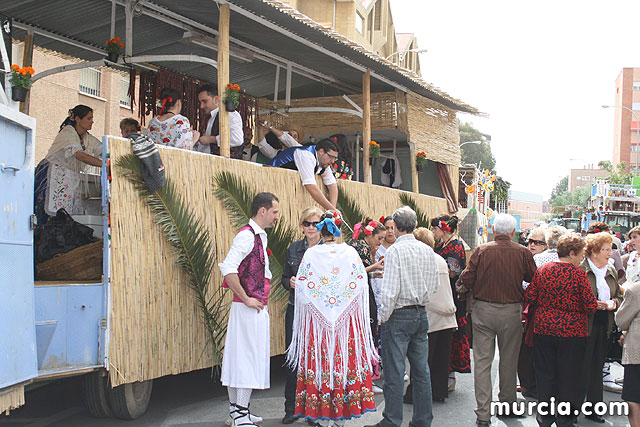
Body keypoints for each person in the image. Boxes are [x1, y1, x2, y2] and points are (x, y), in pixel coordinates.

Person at [287, 211, 377, 425]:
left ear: (321, 229)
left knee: (321, 364)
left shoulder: (311, 254)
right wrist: (342, 306)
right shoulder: (350, 253)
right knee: (342, 365)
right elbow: (360, 283)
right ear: (338, 229)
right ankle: (340, 419)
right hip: (345, 326)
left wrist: (322, 305)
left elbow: (302, 287)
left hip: (318, 328)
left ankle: (321, 417)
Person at [456, 213, 537, 427]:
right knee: (509, 360)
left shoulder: (482, 250)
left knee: (482, 362)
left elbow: (467, 277)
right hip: (511, 311)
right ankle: (507, 404)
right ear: (512, 232)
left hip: (483, 309)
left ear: (493, 230)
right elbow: (533, 279)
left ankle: (483, 413)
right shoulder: (522, 252)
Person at [365, 206, 440, 427]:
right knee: (421, 371)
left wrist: (384, 317)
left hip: (398, 314)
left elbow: (389, 290)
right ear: (414, 225)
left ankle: (392, 420)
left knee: (395, 372)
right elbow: (434, 284)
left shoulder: (395, 251)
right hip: (420, 312)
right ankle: (423, 420)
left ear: (395, 227)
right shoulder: (427, 250)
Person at [218, 192, 280, 427]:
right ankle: (240, 414)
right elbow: (228, 268)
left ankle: (237, 411)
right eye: (274, 212)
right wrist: (245, 298)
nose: (276, 217)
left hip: (252, 305)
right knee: (246, 357)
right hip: (247, 307)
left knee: (241, 356)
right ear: (262, 211)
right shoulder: (247, 236)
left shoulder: (258, 236)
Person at [525, 233, 598, 427]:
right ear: (572, 253)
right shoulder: (579, 275)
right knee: (569, 376)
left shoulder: (543, 271)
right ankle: (565, 419)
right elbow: (590, 306)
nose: (582, 258)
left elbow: (531, 296)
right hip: (572, 333)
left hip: (544, 329)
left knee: (545, 375)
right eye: (581, 254)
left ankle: (545, 418)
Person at [280, 206, 323, 425]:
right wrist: (291, 283)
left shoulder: (328, 250)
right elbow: (284, 278)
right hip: (295, 310)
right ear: (302, 226)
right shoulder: (294, 249)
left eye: (315, 223)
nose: (311, 228)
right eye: (307, 223)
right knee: (293, 359)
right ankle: (291, 408)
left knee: (316, 361)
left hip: (319, 313)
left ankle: (314, 410)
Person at [579, 232, 623, 424]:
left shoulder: (610, 271)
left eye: (610, 249)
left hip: (604, 323)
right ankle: (572, 408)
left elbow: (620, 296)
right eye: (605, 250)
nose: (610, 254)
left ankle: (594, 409)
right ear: (594, 252)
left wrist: (613, 303)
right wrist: (591, 304)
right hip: (585, 323)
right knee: (581, 366)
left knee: (597, 366)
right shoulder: (582, 270)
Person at [519, 225, 567, 399]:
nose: (532, 245)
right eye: (530, 241)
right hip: (566, 320)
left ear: (546, 243)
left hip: (540, 313)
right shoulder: (572, 262)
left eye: (537, 242)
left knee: (538, 351)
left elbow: (528, 287)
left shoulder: (540, 260)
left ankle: (536, 387)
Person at [34, 105, 102, 226]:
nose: (92, 121)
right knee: (54, 215)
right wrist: (105, 165)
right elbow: (80, 155)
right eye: (89, 118)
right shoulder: (67, 133)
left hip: (71, 178)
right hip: (55, 176)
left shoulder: (87, 138)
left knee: (69, 215)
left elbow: (101, 149)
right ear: (77, 119)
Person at [412, 227, 457, 403]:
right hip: (447, 314)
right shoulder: (439, 259)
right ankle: (439, 392)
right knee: (441, 358)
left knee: (424, 359)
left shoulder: (420, 260)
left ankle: (418, 394)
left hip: (431, 314)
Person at [430, 214, 469, 392]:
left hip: (452, 294)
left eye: (434, 228)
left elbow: (453, 271)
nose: (433, 232)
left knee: (452, 335)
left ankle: (450, 375)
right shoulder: (441, 245)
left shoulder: (456, 246)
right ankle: (442, 374)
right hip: (441, 292)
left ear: (443, 229)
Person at [350, 218, 386, 388]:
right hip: (361, 297)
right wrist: (374, 267)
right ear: (370, 235)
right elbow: (355, 272)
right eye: (379, 238)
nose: (380, 242)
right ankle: (365, 380)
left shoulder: (361, 247)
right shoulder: (360, 248)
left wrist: (373, 272)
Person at [268, 138, 339, 211]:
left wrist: (332, 211)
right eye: (331, 157)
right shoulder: (306, 155)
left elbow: (332, 184)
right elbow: (310, 186)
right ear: (321, 151)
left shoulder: (324, 162)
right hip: (272, 181)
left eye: (335, 158)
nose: (333, 161)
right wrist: (332, 209)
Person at [615, 273, 640, 427]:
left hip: (637, 352)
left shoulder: (636, 290)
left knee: (633, 395)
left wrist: (624, 331)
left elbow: (621, 320)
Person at [195, 84, 244, 157]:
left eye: (204, 102)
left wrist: (212, 139)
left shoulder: (229, 114)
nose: (201, 106)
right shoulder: (212, 118)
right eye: (200, 102)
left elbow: (237, 139)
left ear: (216, 99)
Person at [371, 216, 395, 318]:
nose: (390, 231)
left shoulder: (399, 248)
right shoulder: (376, 246)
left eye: (392, 228)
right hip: (378, 291)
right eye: (387, 228)